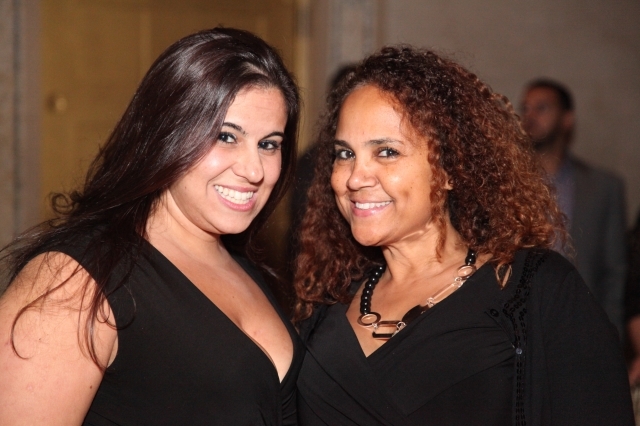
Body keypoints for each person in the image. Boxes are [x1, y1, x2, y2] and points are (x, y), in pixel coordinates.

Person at [293, 46, 633, 425]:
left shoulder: (536, 291)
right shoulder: (327, 303)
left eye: (386, 152)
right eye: (344, 154)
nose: (355, 177)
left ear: (451, 168)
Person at [0, 27, 303, 425]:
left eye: (269, 144)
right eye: (226, 136)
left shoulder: (244, 265)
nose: (254, 170)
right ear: (166, 135)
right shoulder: (73, 280)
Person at [521, 79, 628, 339]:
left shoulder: (603, 186)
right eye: (525, 108)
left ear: (567, 119)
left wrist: (610, 333)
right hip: (521, 320)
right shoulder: (509, 183)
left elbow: (615, 270)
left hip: (582, 323)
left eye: (542, 108)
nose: (530, 116)